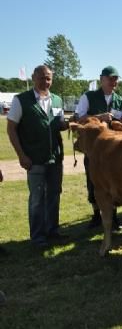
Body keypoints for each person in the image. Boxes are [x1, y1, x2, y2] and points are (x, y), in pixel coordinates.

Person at [6, 65, 67, 247]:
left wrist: (67, 124)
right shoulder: (21, 100)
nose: (45, 81)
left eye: (48, 78)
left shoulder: (57, 100)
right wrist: (21, 155)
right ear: (33, 78)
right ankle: (38, 237)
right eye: (41, 77)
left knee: (54, 195)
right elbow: (11, 128)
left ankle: (52, 231)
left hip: (55, 157)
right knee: (37, 198)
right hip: (34, 158)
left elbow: (59, 123)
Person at [74, 66, 122, 230]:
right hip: (94, 150)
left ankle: (114, 217)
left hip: (115, 151)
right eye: (110, 78)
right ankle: (97, 214)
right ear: (101, 79)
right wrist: (98, 117)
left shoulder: (120, 101)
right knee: (93, 181)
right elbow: (78, 118)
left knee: (115, 180)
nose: (114, 82)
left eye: (116, 79)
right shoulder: (88, 97)